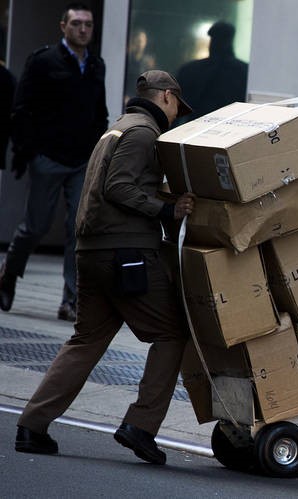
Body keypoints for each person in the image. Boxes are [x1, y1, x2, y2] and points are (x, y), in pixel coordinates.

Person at [14, 70, 196, 465]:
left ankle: (32, 426)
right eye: (178, 106)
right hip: (125, 254)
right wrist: (166, 209)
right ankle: (141, 425)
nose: (177, 114)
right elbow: (119, 187)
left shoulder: (115, 129)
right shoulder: (145, 133)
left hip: (92, 252)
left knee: (86, 341)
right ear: (166, 96)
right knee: (172, 333)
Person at [0, 2, 108, 322]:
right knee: (35, 227)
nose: (83, 29)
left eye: (88, 24)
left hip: (80, 160)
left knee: (78, 228)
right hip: (47, 158)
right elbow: (22, 109)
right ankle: (8, 276)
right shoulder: (44, 60)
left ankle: (70, 299)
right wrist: (29, 151)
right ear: (63, 26)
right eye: (77, 23)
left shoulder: (96, 65)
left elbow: (98, 110)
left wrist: (97, 148)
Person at [175, 21, 249, 124]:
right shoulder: (245, 70)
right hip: (231, 129)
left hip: (194, 129)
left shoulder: (190, 69)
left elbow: (176, 108)